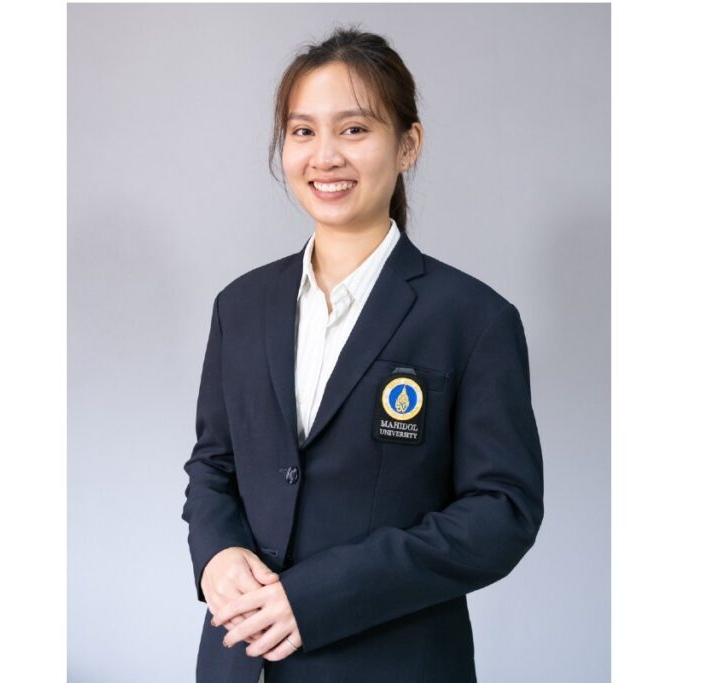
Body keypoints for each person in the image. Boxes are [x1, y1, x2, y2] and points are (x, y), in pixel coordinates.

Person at [181, 25, 544, 683]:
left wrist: (320, 596)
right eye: (303, 131)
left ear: (408, 144)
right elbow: (214, 464)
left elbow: (501, 512)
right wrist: (216, 554)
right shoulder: (240, 306)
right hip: (238, 661)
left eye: (354, 129)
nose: (325, 156)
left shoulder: (473, 319)